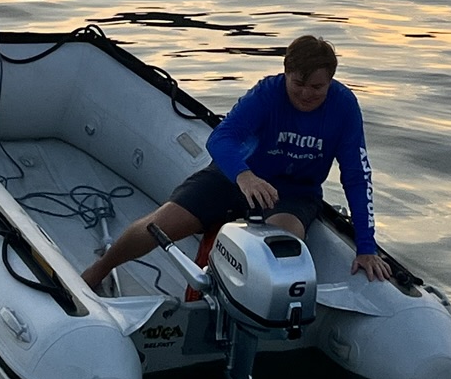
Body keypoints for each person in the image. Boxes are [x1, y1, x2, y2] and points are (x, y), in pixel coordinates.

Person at [81, 33, 393, 290]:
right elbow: (220, 138)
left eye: (317, 88)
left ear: (331, 82)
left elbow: (356, 175)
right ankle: (101, 267)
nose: (306, 94)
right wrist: (244, 176)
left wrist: (366, 246)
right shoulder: (267, 94)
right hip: (236, 177)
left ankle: (217, 283)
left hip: (294, 194)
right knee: (160, 224)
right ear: (285, 73)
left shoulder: (344, 107)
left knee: (279, 247)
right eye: (298, 84)